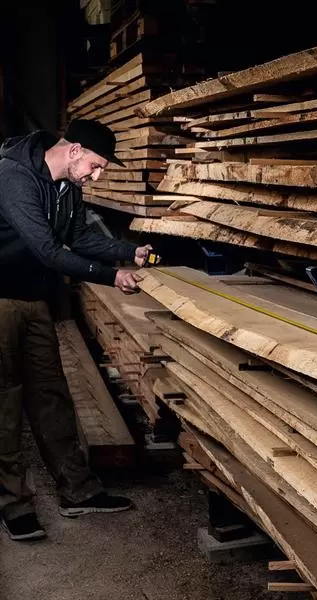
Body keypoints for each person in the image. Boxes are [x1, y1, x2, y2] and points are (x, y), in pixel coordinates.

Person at [0, 118, 153, 541]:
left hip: (35, 299)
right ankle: (14, 506)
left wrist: (130, 252)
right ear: (73, 150)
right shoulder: (13, 177)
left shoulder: (68, 186)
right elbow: (49, 251)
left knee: (51, 395)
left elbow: (79, 237)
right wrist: (111, 276)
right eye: (96, 165)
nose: (97, 175)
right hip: (1, 299)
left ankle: (79, 491)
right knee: (5, 405)